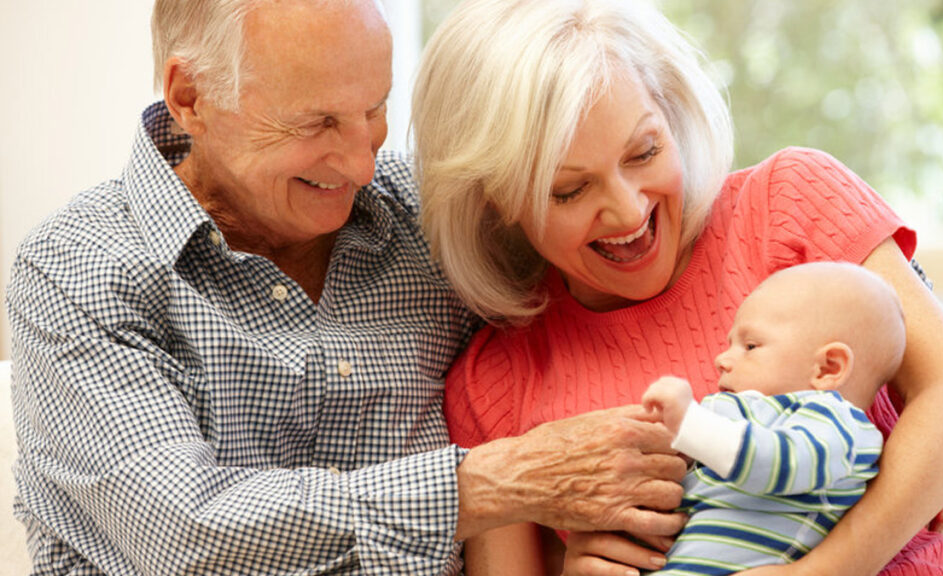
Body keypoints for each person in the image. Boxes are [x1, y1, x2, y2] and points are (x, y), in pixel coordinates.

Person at [5, 0, 691, 573]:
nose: (363, 162)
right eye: (319, 123)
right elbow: (186, 532)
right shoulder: (79, 271)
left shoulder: (423, 218)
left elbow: (612, 276)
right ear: (191, 97)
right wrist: (495, 483)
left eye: (375, 109)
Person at [411, 0, 943, 574]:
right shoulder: (493, 384)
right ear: (498, 201)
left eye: (644, 151)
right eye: (569, 190)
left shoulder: (788, 205)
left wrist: (826, 570)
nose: (626, 210)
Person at [641, 262, 906, 574]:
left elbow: (774, 462)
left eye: (750, 346)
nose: (721, 359)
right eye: (730, 345)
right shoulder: (743, 415)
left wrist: (690, 424)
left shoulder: (840, 425)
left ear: (827, 368)